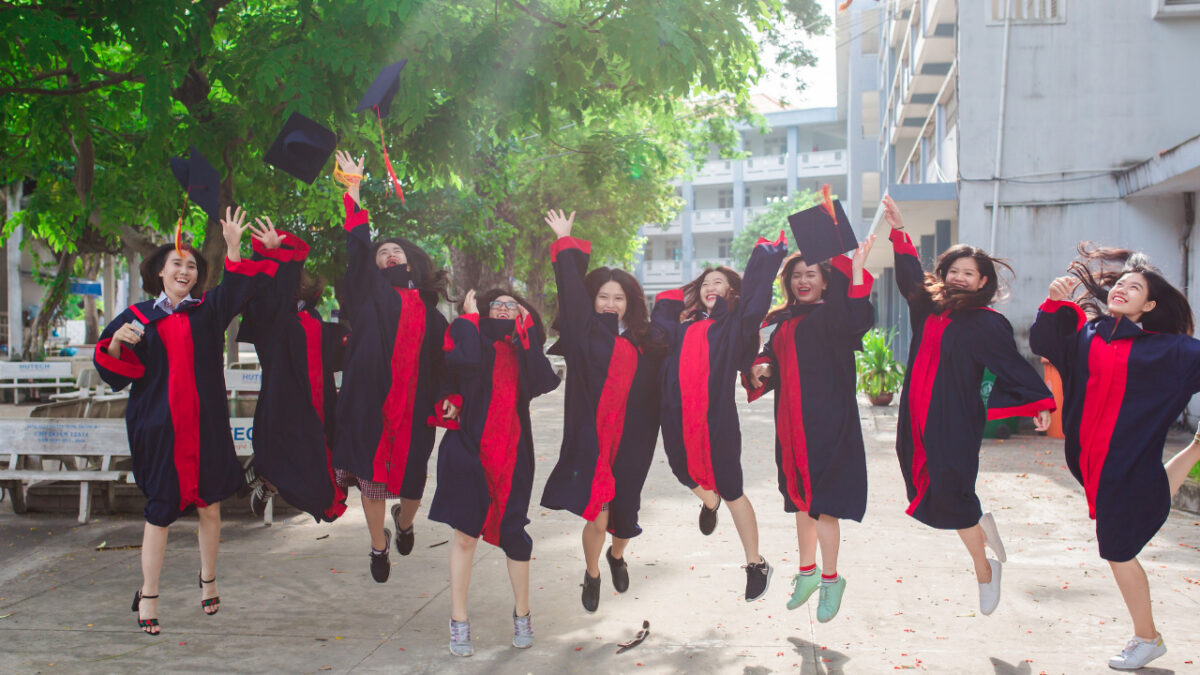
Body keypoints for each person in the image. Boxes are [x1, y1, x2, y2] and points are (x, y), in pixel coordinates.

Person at [93, 207, 282, 634]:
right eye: (176, 263)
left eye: (192, 266)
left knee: (210, 506)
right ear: (160, 272)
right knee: (160, 511)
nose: (184, 270)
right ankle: (149, 593)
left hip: (205, 428)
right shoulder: (137, 317)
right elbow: (114, 373)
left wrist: (233, 247)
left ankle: (208, 579)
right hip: (160, 430)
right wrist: (117, 342)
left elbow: (237, 289)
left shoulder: (208, 311)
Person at [881, 195, 1053, 616]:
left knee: (950, 495)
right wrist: (899, 230)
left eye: (968, 273)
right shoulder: (927, 307)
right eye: (953, 271)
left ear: (982, 282)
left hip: (953, 420)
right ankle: (980, 523)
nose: (959, 277)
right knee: (928, 486)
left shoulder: (987, 323)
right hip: (915, 417)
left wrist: (1038, 401)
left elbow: (1010, 364)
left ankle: (985, 570)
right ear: (944, 275)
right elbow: (909, 275)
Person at [1030, 245, 1200, 670]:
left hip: (1126, 462)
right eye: (1121, 283)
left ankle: (1147, 637)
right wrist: (1053, 303)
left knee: (1118, 551)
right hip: (1093, 462)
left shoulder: (1168, 350)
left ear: (1150, 306)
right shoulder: (1089, 334)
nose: (1122, 288)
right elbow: (1044, 343)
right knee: (1139, 508)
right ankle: (1198, 447)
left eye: (1135, 287)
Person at [330, 150, 455, 582]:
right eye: (382, 252)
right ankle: (377, 546)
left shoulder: (433, 317)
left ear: (411, 263)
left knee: (413, 482)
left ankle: (404, 520)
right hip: (369, 404)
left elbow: (446, 367)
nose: (387, 255)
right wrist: (353, 189)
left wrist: (449, 398)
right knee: (371, 479)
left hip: (416, 410)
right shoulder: (368, 297)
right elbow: (357, 247)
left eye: (395, 251)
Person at [538, 209, 665, 613]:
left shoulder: (648, 341)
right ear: (593, 300)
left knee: (624, 517)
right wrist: (565, 242)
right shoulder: (584, 335)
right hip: (592, 437)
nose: (611, 304)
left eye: (618, 298)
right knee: (598, 513)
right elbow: (570, 294)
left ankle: (616, 555)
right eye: (603, 297)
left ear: (630, 303)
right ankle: (592, 572)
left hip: (634, 438)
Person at [652, 230, 789, 601]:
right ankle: (708, 502)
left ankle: (756, 563)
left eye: (720, 282)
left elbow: (755, 303)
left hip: (717, 420)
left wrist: (766, 255)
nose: (711, 286)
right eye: (706, 283)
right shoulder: (682, 327)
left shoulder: (733, 326)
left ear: (731, 292)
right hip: (677, 416)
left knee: (731, 488)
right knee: (681, 470)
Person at [744, 237, 875, 622]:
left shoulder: (833, 317)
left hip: (828, 423)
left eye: (811, 274)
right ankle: (808, 572)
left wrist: (855, 269)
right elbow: (769, 359)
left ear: (825, 281)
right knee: (800, 500)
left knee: (824, 503)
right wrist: (760, 366)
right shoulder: (782, 320)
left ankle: (832, 579)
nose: (803, 281)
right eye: (797, 275)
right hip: (791, 424)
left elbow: (857, 317)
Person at [428, 287, 560, 656]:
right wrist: (469, 318)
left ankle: (523, 614)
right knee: (465, 534)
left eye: (511, 306)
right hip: (470, 448)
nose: (503, 309)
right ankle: (458, 620)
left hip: (513, 453)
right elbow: (457, 367)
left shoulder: (523, 349)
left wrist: (527, 334)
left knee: (514, 533)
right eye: (496, 305)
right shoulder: (468, 338)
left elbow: (543, 381)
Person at [237, 230, 348, 522]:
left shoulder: (311, 315)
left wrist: (347, 341)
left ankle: (265, 478)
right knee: (297, 462)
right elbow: (268, 292)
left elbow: (329, 351)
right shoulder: (269, 315)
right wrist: (273, 254)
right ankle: (265, 476)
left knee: (316, 464)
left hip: (318, 402)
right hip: (285, 402)